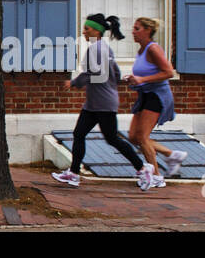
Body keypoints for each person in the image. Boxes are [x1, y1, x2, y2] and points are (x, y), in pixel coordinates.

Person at [51, 14, 146, 188]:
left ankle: (142, 168)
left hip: (102, 104)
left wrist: (73, 83)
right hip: (96, 103)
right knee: (79, 134)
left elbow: (89, 74)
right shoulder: (105, 48)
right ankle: (73, 173)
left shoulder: (95, 50)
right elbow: (116, 73)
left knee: (112, 139)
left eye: (87, 29)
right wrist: (110, 84)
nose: (84, 31)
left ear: (97, 30)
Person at [122, 16, 188, 190]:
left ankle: (157, 177)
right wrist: (133, 79)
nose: (133, 32)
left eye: (137, 29)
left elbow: (168, 72)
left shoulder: (153, 49)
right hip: (145, 95)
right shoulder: (141, 51)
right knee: (133, 137)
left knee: (142, 138)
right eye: (133, 28)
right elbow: (144, 74)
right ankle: (171, 154)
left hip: (157, 96)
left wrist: (142, 78)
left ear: (148, 31)